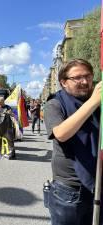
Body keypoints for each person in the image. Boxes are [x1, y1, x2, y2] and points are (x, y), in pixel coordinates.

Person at [44, 59, 102, 225]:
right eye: (77, 78)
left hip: (98, 183)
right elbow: (61, 133)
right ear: (63, 82)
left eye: (88, 76)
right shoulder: (54, 104)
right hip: (69, 191)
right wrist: (93, 102)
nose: (85, 81)